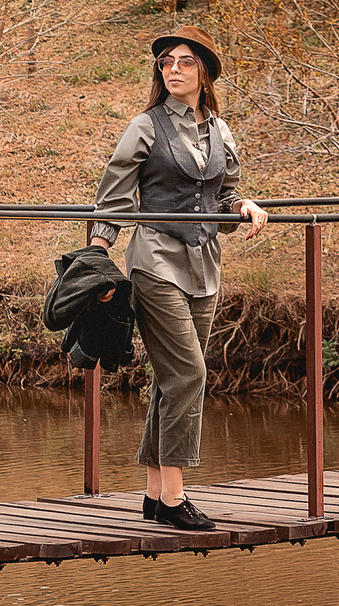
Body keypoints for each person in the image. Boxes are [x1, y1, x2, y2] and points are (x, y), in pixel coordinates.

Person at [88, 26, 269, 531]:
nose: (173, 69)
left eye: (184, 61)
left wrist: (244, 204)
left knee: (173, 379)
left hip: (205, 266)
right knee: (189, 374)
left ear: (203, 71)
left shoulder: (221, 130)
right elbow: (115, 194)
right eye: (166, 62)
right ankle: (173, 498)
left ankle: (151, 494)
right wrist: (98, 256)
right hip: (156, 262)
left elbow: (224, 191)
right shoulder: (144, 126)